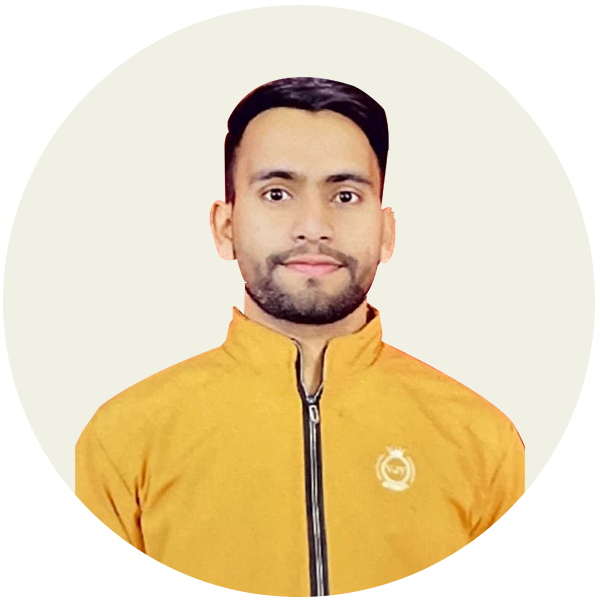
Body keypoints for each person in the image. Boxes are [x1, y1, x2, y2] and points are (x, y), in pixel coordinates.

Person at [75, 77, 525, 598]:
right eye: (277, 193)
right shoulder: (124, 438)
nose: (313, 226)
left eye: (345, 195)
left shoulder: (482, 441)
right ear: (225, 226)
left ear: (386, 232)